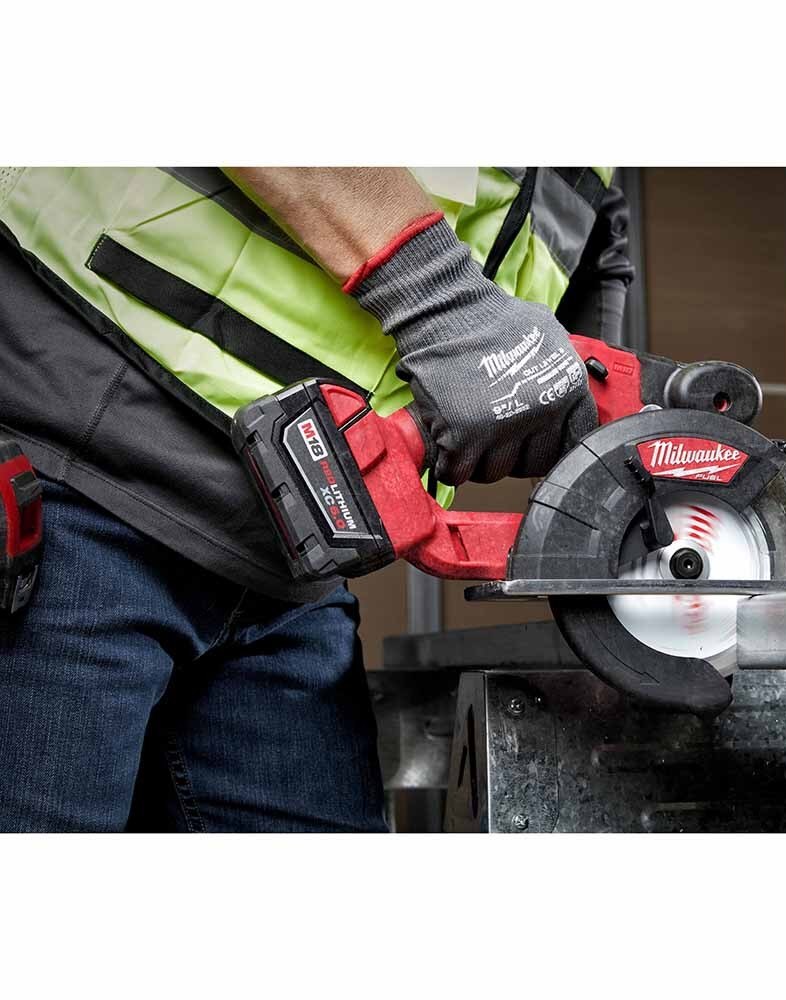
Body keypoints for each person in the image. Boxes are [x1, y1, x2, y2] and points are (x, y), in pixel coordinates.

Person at [0, 167, 633, 832]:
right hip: (80, 472)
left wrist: (610, 448)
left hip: (296, 556)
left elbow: (577, 219)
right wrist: (443, 301)